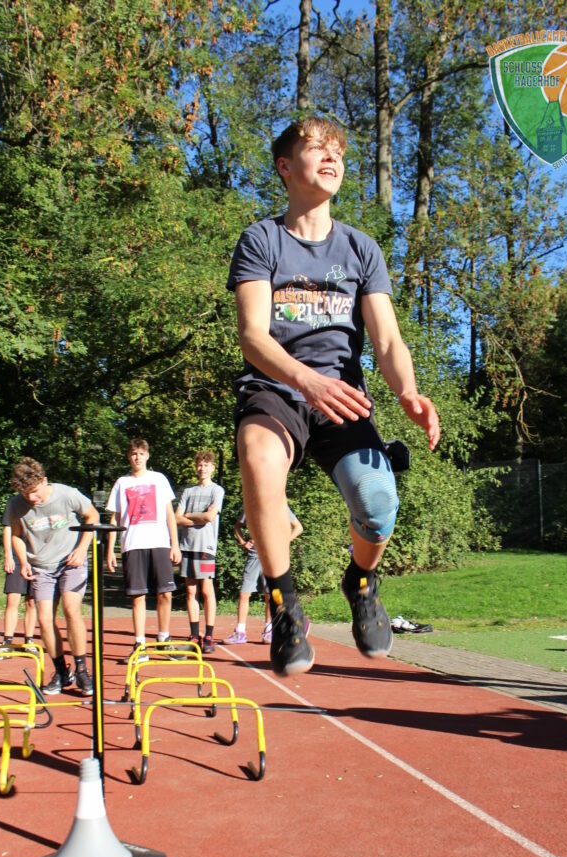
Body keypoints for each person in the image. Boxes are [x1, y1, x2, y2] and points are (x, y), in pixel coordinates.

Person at [227, 115, 440, 677]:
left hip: (341, 397)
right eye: (316, 148)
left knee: (377, 501)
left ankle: (361, 582)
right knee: (258, 457)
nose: (331, 157)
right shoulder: (262, 240)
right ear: (284, 167)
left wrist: (408, 391)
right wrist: (305, 380)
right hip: (276, 388)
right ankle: (284, 603)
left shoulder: (360, 248)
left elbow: (387, 340)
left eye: (338, 151)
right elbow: (253, 337)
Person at [7, 457, 99, 695]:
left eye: (35, 491)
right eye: (26, 493)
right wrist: (23, 561)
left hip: (71, 562)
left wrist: (82, 548)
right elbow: (16, 535)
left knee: (71, 609)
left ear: (44, 481)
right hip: (41, 567)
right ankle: (61, 671)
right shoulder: (16, 505)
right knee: (44, 618)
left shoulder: (66, 494)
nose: (31, 498)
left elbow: (93, 516)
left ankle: (82, 670)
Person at [106, 438, 181, 657]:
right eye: (133, 454)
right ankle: (139, 644)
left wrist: (175, 544)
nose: (137, 457)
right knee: (138, 596)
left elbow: (169, 514)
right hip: (133, 544)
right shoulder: (122, 483)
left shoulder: (159, 479)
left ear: (147, 456)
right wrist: (110, 550)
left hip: (159, 543)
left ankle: (164, 638)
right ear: (129, 457)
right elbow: (115, 518)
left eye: (141, 453)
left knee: (165, 593)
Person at [224, 506, 303, 645]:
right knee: (244, 593)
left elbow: (298, 527)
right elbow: (237, 526)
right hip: (254, 556)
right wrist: (243, 542)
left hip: (273, 556)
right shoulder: (250, 504)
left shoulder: (280, 505)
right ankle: (240, 632)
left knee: (269, 595)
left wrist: (285, 540)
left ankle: (269, 630)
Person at [174, 450, 225, 655]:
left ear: (212, 468)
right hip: (187, 546)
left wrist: (189, 515)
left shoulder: (217, 491)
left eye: (206, 465)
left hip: (206, 548)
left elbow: (210, 517)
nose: (202, 468)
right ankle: (195, 635)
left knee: (206, 590)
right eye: (199, 465)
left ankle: (209, 635)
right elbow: (176, 518)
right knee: (190, 591)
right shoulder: (188, 491)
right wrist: (199, 517)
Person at [0, 497, 38, 657]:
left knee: (31, 601)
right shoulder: (14, 503)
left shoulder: (43, 503)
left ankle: (29, 641)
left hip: (36, 558)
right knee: (12, 599)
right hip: (16, 558)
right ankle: (7, 641)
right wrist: (8, 556)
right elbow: (7, 529)